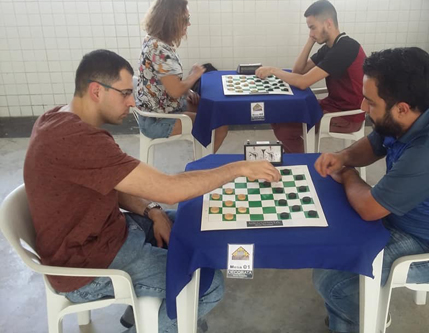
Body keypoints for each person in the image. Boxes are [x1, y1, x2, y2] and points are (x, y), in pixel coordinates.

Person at [23, 50, 280, 332]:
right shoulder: (76, 140)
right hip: (87, 265)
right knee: (209, 287)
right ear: (96, 91)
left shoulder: (59, 117)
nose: (133, 102)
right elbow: (169, 189)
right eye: (124, 93)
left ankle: (166, 314)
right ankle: (161, 322)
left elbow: (114, 182)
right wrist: (238, 168)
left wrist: (152, 211)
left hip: (109, 232)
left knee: (196, 224)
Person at [312, 48, 429, 333]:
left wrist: (346, 174)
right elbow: (375, 142)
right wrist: (343, 157)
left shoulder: (428, 153)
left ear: (402, 108)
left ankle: (368, 318)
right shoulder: (421, 113)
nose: (362, 107)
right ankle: (353, 312)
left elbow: (369, 208)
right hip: (417, 217)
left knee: (331, 281)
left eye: (370, 102)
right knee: (329, 238)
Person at [255, 0, 366, 153]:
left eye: (313, 27)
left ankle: (305, 164)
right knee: (278, 115)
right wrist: (311, 40)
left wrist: (273, 70)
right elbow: (298, 71)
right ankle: (295, 156)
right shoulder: (330, 47)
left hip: (347, 116)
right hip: (332, 106)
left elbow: (302, 82)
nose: (311, 32)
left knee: (285, 130)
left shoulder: (345, 48)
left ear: (328, 23)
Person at [135, 0, 227, 152]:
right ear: (171, 20)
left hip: (161, 109)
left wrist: (187, 89)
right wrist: (194, 75)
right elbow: (175, 90)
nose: (189, 24)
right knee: (220, 123)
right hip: (157, 121)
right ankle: (204, 166)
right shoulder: (159, 48)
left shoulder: (153, 41)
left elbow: (164, 84)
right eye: (185, 19)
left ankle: (201, 155)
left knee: (210, 108)